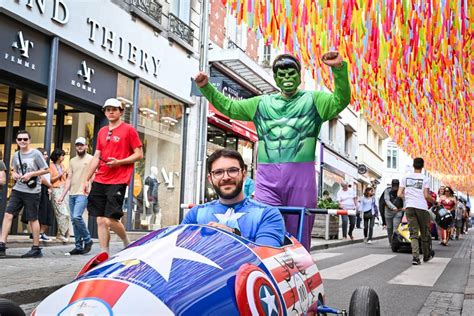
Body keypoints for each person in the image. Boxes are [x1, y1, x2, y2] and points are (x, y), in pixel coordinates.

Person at [194, 52, 351, 250]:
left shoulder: (314, 100)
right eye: (281, 74)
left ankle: (299, 275)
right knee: (261, 226)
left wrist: (338, 69)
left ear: (299, 75)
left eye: (291, 73)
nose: (286, 78)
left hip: (301, 178)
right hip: (267, 178)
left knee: (298, 234)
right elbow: (229, 107)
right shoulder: (260, 103)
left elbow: (340, 100)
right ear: (275, 77)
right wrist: (206, 87)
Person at [182, 149, 285, 247]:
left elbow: (265, 258)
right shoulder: (195, 214)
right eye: (218, 172)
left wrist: (233, 235)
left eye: (232, 170)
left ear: (244, 175)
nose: (226, 177)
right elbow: (178, 250)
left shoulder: (267, 214)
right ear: (210, 179)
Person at [83, 98, 143, 254]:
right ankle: (104, 253)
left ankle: (126, 242)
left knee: (110, 219)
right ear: (104, 111)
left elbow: (139, 154)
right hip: (100, 178)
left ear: (121, 112)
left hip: (119, 179)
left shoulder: (129, 130)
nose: (110, 112)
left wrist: (119, 162)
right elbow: (97, 156)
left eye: (114, 109)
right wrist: (86, 179)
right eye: (108, 109)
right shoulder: (102, 131)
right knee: (100, 219)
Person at [0, 130, 49, 257]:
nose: (22, 141)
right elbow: (14, 170)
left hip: (33, 191)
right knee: (8, 214)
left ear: (29, 140)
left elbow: (46, 169)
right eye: (20, 139)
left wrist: (31, 174)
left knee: (32, 219)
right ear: (16, 141)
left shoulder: (36, 154)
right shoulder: (16, 155)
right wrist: (14, 174)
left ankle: (36, 248)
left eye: (25, 139)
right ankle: (2, 244)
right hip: (18, 189)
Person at [58, 137, 94, 255]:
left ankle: (88, 240)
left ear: (86, 146)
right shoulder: (72, 160)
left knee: (77, 216)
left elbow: (94, 174)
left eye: (82, 145)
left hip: (83, 193)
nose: (80, 147)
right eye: (77, 145)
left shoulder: (91, 159)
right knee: (74, 220)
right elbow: (69, 178)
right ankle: (78, 246)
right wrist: (63, 195)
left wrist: (89, 185)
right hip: (72, 193)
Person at [398, 157, 437, 265]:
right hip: (421, 208)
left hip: (409, 207)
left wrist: (408, 197)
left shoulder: (405, 178)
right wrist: (435, 202)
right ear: (422, 166)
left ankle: (415, 257)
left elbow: (399, 194)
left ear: (413, 165)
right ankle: (426, 256)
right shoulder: (425, 178)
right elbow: (426, 196)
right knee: (425, 233)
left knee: (413, 233)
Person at [21, 148, 54, 241]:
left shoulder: (45, 165)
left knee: (44, 212)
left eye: (46, 154)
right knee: (38, 212)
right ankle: (35, 234)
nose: (46, 156)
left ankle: (40, 233)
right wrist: (50, 186)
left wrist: (49, 187)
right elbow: (41, 178)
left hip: (44, 190)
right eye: (44, 154)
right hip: (39, 189)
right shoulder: (37, 165)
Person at [49, 148, 71, 242]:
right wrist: (60, 174)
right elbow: (50, 179)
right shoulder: (51, 166)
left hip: (64, 190)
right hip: (56, 189)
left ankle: (62, 234)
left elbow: (65, 179)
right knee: (62, 213)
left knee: (67, 213)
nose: (63, 157)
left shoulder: (62, 165)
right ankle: (61, 234)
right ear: (57, 156)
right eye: (62, 155)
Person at [382, 179, 403, 246]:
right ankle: (391, 242)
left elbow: (405, 199)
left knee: (395, 228)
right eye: (394, 186)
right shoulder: (387, 191)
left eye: (397, 185)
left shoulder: (401, 191)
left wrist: (405, 207)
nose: (395, 187)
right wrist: (393, 207)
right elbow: (386, 200)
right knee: (389, 228)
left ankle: (395, 243)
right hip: (388, 212)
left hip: (398, 211)